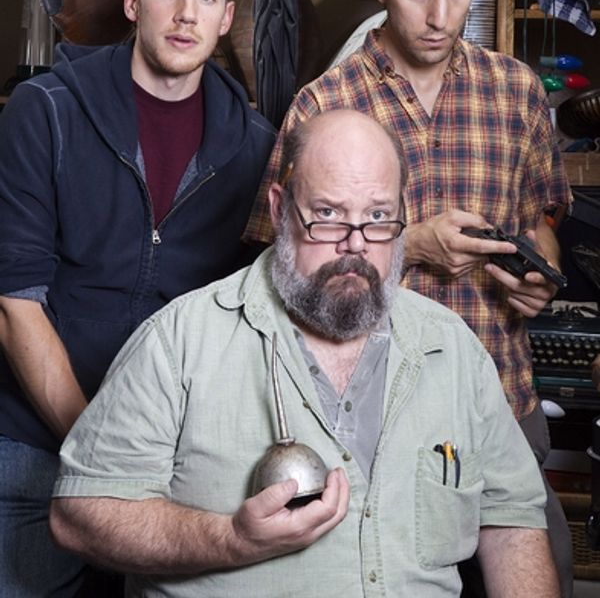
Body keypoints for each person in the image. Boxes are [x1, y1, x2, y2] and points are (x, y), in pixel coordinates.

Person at [50, 110, 560, 597]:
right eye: (328, 215)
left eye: (378, 216)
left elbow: (512, 523)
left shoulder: (454, 352)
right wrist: (231, 540)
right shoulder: (179, 342)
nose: (355, 246)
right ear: (278, 208)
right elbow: (79, 513)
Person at [244, 0, 573, 596]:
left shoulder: (516, 94)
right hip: (370, 416)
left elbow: (541, 220)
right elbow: (274, 267)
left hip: (503, 399)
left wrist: (538, 273)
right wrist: (411, 246)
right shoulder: (322, 106)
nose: (440, 14)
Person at [0, 0, 275, 596]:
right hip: (36, 451)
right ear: (132, 1)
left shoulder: (253, 145)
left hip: (178, 469)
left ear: (225, 17)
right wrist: (96, 450)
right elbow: (15, 305)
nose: (185, 15)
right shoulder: (45, 112)